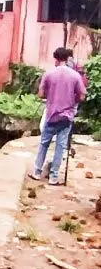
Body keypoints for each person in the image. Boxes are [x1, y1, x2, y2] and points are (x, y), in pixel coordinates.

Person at [30, 47, 86, 185]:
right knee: (60, 146)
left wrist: (51, 95)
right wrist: (73, 101)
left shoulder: (49, 74)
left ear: (55, 58)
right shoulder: (75, 76)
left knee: (44, 144)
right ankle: (54, 177)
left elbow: (41, 94)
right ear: (67, 59)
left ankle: (37, 171)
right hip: (67, 116)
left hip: (52, 115)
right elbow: (82, 96)